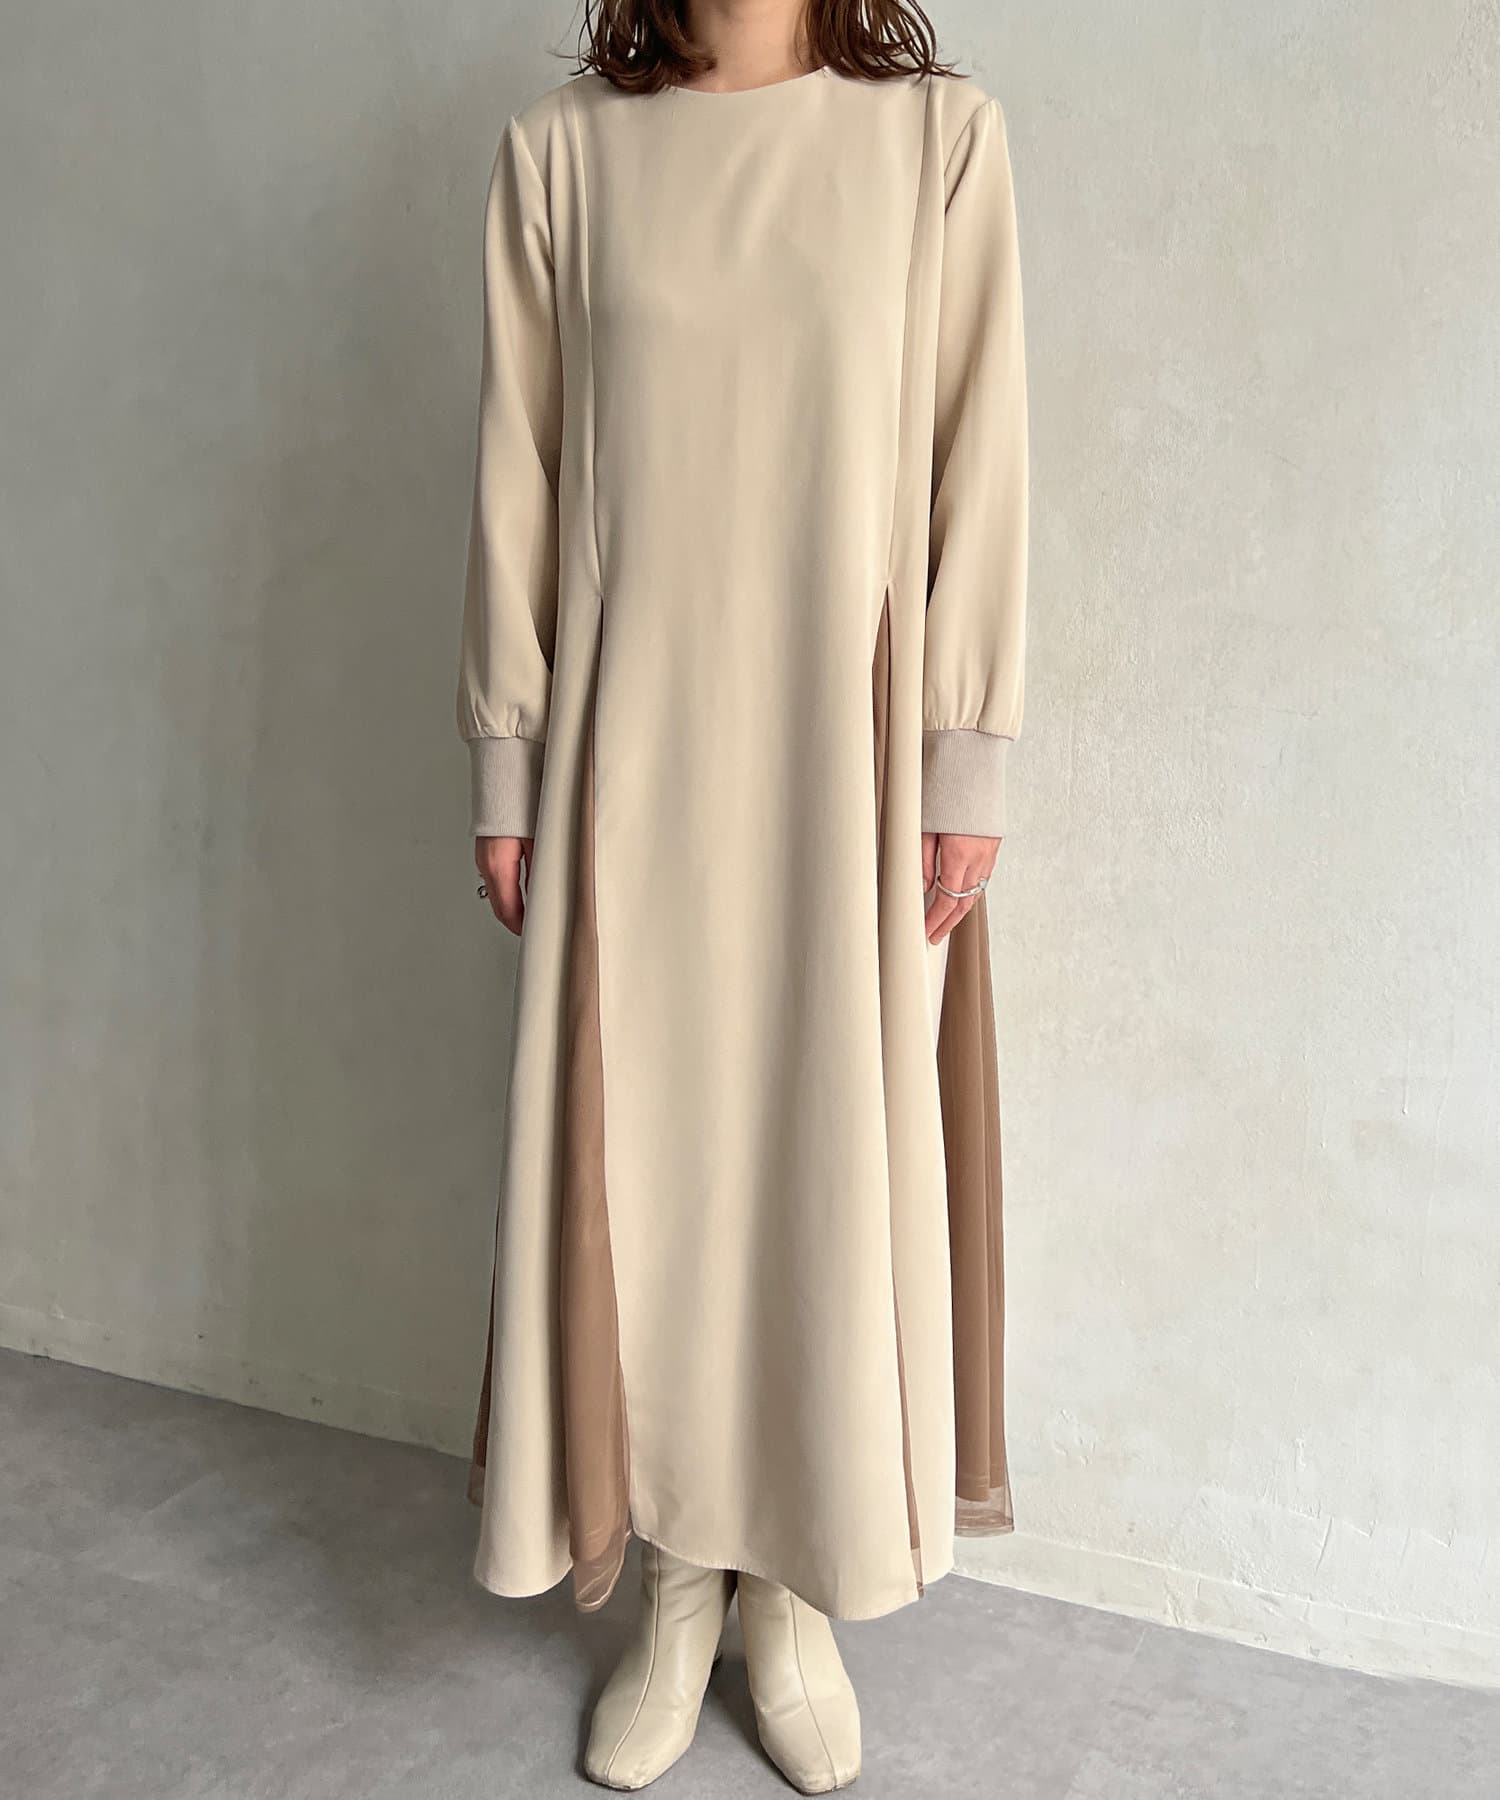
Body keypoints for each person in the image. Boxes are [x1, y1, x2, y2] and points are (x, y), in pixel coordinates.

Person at [455, 0, 1028, 1788]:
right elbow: (518, 471)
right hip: (629, 756)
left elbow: (981, 454)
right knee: (651, 1166)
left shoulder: (936, 144)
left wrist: (963, 757)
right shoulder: (564, 155)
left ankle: (790, 1587)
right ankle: (676, 1580)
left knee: (817, 1162)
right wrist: (506, 756)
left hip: (842, 754)